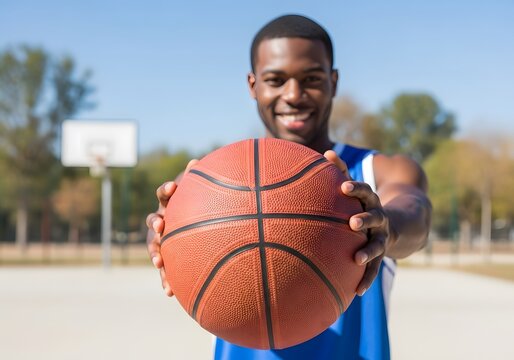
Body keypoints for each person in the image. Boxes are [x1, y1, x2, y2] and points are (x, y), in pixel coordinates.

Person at [146, 14, 431, 360]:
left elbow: (415, 211)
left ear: (334, 81)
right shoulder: (210, 185)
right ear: (253, 85)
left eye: (311, 78)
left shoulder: (374, 173)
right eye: (276, 80)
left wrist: (389, 226)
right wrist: (165, 235)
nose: (293, 95)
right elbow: (162, 230)